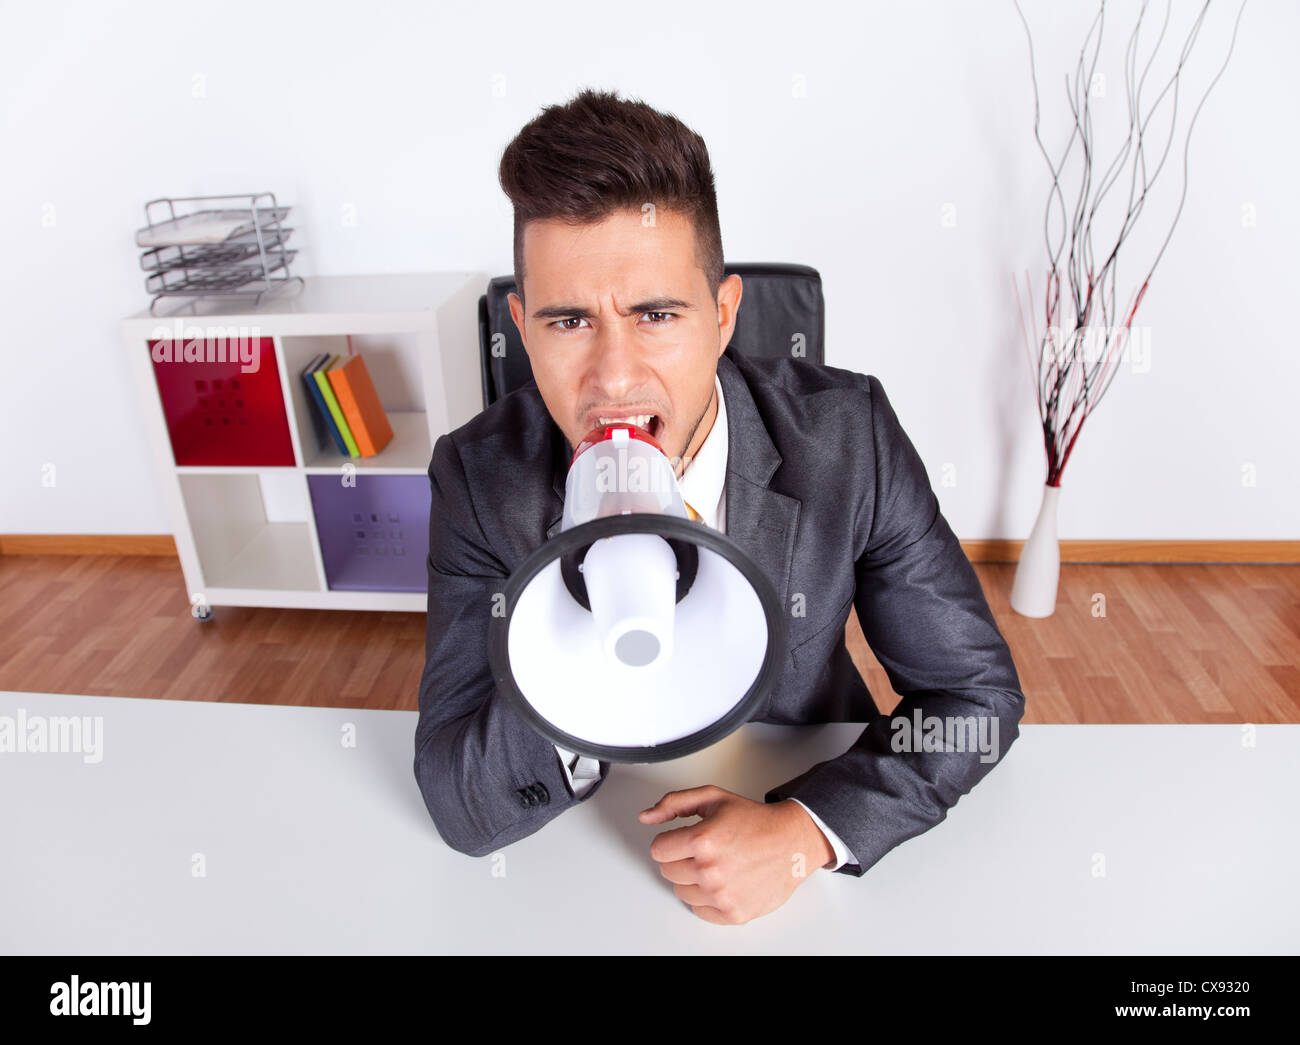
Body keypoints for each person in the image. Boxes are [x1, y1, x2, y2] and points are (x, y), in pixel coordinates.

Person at [414, 87, 1026, 926]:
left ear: (723, 315)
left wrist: (807, 829)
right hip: (585, 862)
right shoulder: (477, 478)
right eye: (568, 322)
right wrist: (575, 611)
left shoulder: (850, 436)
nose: (614, 377)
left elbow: (974, 706)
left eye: (656, 314)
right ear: (522, 328)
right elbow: (457, 798)